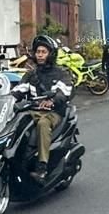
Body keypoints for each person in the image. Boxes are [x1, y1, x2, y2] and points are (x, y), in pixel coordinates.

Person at [18, 34, 74, 179]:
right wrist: (6, 99)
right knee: (17, 124)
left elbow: (65, 92)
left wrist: (53, 100)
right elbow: (18, 90)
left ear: (50, 54)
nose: (40, 55)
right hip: (33, 111)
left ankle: (41, 167)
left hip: (53, 113)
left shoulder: (61, 73)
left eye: (43, 52)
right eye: (38, 52)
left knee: (43, 124)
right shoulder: (31, 74)